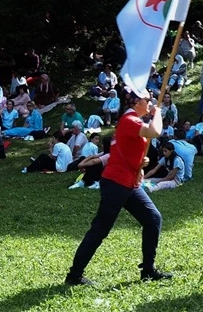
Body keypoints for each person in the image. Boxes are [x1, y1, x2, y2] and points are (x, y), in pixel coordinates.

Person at [66, 87, 172, 285]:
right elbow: (155, 131)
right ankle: (74, 275)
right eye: (147, 101)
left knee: (152, 218)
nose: (150, 104)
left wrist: (140, 163)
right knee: (100, 229)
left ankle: (148, 270)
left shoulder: (132, 122)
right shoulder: (129, 120)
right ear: (135, 103)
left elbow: (122, 151)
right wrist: (157, 114)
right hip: (115, 183)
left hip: (129, 183)